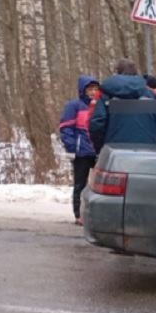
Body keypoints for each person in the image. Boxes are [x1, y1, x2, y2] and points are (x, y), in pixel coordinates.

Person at [89, 58, 156, 152]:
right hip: (147, 153)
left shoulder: (106, 96)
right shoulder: (151, 96)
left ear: (116, 72)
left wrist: (101, 148)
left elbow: (97, 124)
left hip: (115, 154)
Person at [58, 75, 100, 224]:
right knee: (80, 184)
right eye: (90, 89)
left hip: (98, 151)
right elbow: (66, 128)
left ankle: (98, 214)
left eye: (96, 89)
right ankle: (78, 214)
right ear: (83, 90)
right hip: (81, 151)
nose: (93, 92)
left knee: (100, 185)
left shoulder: (100, 105)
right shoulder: (74, 106)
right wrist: (70, 148)